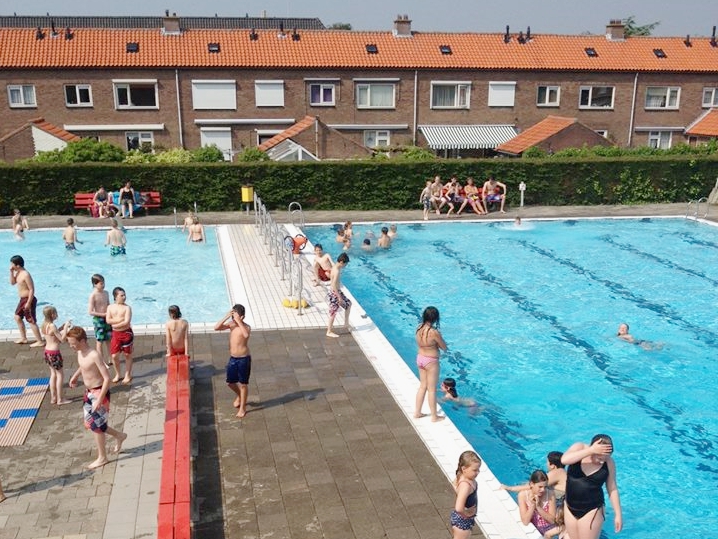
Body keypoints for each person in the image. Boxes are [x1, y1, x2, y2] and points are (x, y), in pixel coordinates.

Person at [67, 326, 127, 469]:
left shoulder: (94, 354)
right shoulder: (80, 352)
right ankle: (119, 435)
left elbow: (107, 378)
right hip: (88, 392)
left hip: (99, 392)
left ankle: (102, 457)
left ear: (82, 341)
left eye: (73, 343)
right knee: (92, 424)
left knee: (97, 427)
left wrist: (99, 399)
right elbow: (82, 366)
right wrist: (75, 377)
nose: (71, 346)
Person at [562, 434, 622, 539]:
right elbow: (564, 460)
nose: (602, 461)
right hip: (569, 506)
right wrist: (590, 450)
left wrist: (618, 514)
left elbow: (612, 488)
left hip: (592, 509)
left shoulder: (609, 463)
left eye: (606, 458)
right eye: (599, 458)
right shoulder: (579, 448)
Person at [214, 304, 252, 418]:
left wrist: (238, 321)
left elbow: (245, 335)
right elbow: (216, 327)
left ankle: (242, 408)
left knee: (243, 384)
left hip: (244, 359)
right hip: (233, 358)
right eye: (233, 316)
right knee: (230, 382)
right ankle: (240, 395)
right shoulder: (231, 325)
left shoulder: (246, 327)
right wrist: (226, 316)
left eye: (236, 316)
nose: (233, 319)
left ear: (242, 317)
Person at [414, 306, 446, 422]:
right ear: (435, 318)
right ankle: (434, 416)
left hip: (420, 358)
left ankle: (417, 412)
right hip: (431, 361)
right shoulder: (434, 332)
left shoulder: (418, 328)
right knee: (432, 389)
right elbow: (444, 347)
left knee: (423, 386)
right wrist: (437, 345)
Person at [40, 306, 73, 406]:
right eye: (55, 313)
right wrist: (67, 327)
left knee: (53, 374)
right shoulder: (52, 326)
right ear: (52, 315)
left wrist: (61, 328)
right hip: (54, 353)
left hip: (47, 351)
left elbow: (52, 335)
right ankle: (60, 399)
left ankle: (53, 398)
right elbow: (62, 340)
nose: (57, 315)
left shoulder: (44, 325)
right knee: (60, 375)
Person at [10, 255, 44, 346]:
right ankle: (23, 338)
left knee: (31, 320)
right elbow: (12, 283)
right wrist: (11, 272)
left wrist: (29, 302)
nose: (11, 266)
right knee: (17, 317)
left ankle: (40, 341)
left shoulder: (26, 274)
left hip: (28, 299)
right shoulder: (18, 273)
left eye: (12, 264)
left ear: (17, 265)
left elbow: (32, 289)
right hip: (22, 300)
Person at [517, 470, 558, 537]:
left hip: (549, 530)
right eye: (540, 487)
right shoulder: (523, 495)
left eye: (545, 487)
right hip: (534, 530)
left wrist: (538, 507)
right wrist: (533, 506)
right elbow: (525, 522)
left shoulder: (550, 494)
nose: (543, 490)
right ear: (531, 484)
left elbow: (552, 521)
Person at [106, 286, 133, 384]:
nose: (124, 297)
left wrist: (115, 324)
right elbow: (108, 320)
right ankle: (118, 374)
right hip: (116, 334)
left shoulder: (127, 308)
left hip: (126, 333)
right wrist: (119, 321)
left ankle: (127, 374)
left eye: (124, 295)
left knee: (127, 354)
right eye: (122, 295)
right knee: (114, 356)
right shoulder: (110, 307)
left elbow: (126, 322)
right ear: (115, 296)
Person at [450, 450, 481, 539]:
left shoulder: (462, 476)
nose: (478, 472)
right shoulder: (466, 486)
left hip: (462, 519)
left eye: (478, 469)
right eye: (475, 470)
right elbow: (459, 508)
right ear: (464, 469)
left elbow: (454, 484)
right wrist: (467, 514)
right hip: (462, 521)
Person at [88, 274, 112, 366]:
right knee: (100, 341)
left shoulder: (106, 293)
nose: (103, 285)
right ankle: (101, 360)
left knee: (109, 339)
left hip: (107, 318)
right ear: (95, 284)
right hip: (98, 320)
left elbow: (108, 305)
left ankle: (111, 358)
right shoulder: (93, 296)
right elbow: (90, 312)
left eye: (104, 283)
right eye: (101, 283)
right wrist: (102, 314)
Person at [326, 252, 351, 337]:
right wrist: (339, 297)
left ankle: (346, 324)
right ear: (341, 262)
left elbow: (331, 277)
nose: (345, 266)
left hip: (336, 292)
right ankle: (329, 331)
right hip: (334, 293)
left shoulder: (335, 267)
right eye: (345, 264)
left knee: (348, 304)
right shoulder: (336, 270)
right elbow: (333, 285)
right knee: (333, 312)